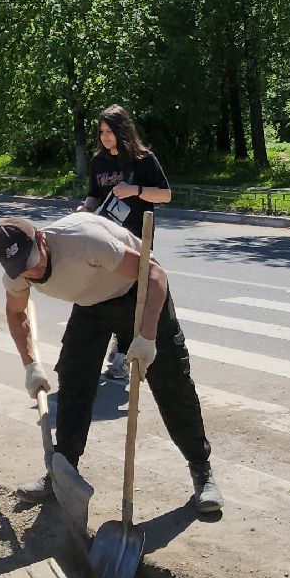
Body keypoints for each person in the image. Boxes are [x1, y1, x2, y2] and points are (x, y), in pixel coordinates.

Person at [0, 212, 222, 515]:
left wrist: (148, 336)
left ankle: (201, 470)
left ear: (41, 238)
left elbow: (154, 275)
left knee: (171, 382)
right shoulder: (16, 274)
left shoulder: (85, 242)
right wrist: (30, 365)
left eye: (35, 260)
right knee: (74, 380)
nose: (32, 271)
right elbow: (17, 313)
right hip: (91, 304)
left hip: (137, 291)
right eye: (24, 269)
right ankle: (63, 473)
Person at [79, 105, 171, 381]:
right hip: (107, 238)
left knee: (133, 294)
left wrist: (135, 190)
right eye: (101, 132)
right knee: (111, 292)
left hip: (137, 238)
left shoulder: (143, 160)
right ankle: (120, 344)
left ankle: (122, 355)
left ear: (122, 131)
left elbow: (166, 195)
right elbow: (94, 196)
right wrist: (84, 211)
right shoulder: (99, 162)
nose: (105, 137)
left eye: (110, 131)